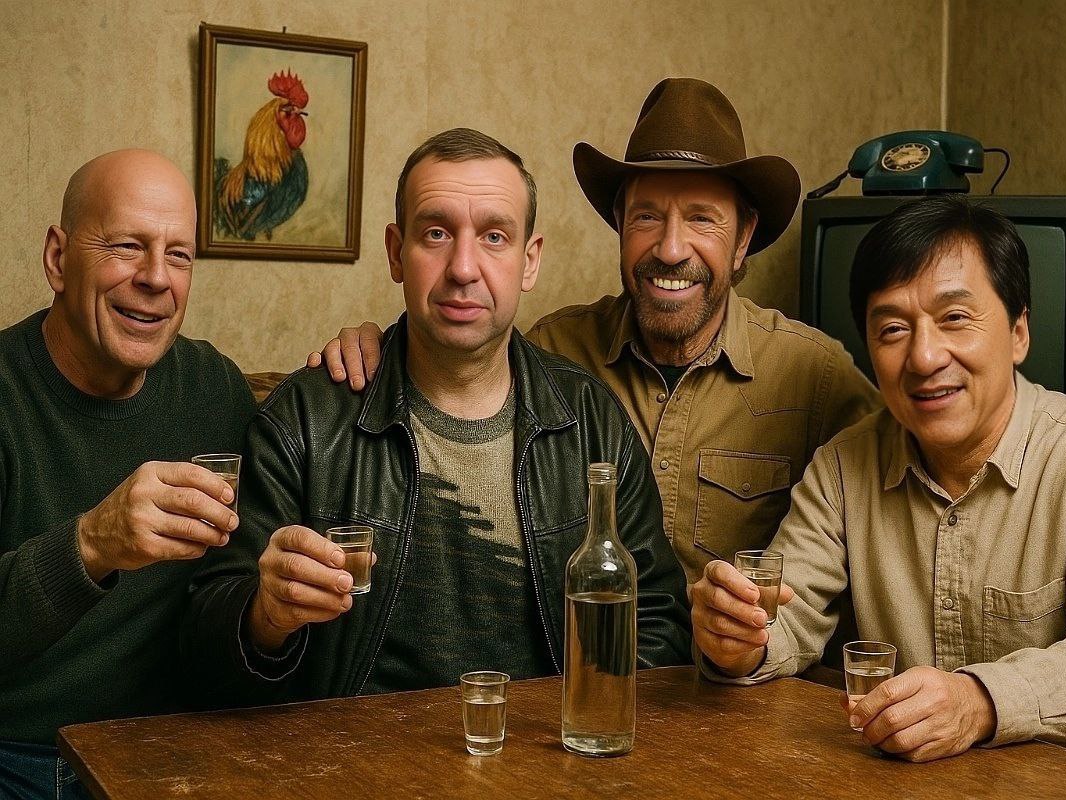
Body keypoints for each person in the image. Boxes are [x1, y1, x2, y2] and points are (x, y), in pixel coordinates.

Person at [186, 128, 690, 706]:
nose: (463, 268)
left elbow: (660, 625)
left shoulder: (593, 422)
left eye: (494, 237)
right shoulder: (306, 419)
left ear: (529, 261)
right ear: (396, 252)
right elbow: (205, 650)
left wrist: (588, 722)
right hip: (353, 753)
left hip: (546, 748)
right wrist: (266, 617)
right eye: (436, 233)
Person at [690, 195, 1066, 784]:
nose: (923, 358)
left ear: (1018, 331)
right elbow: (785, 617)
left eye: (954, 318)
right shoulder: (844, 466)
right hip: (923, 780)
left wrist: (978, 701)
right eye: (893, 329)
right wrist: (740, 641)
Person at [313, 78, 879, 584]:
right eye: (646, 216)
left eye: (702, 218)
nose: (671, 249)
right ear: (620, 227)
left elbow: (904, 486)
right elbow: (458, 356)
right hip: (584, 660)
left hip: (739, 667)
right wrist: (382, 347)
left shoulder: (815, 376)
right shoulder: (555, 349)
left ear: (743, 239)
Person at [0, 149, 258, 799]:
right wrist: (92, 543)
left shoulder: (215, 389)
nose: (156, 278)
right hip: (15, 755)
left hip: (164, 754)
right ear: (58, 259)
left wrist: (368, 345)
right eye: (126, 246)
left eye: (179, 255)